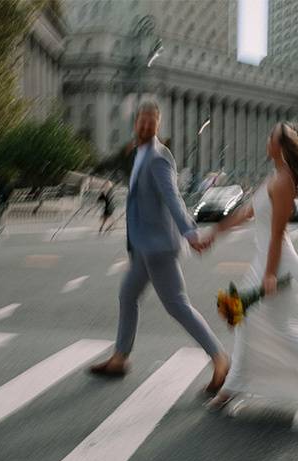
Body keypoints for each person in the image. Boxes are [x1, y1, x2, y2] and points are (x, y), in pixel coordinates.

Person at [202, 122, 298, 419]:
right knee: (245, 322)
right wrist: (214, 234)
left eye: (271, 138)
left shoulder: (283, 182)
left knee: (286, 330)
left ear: (280, 147)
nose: (266, 141)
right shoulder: (274, 179)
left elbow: (278, 232)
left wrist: (268, 274)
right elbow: (243, 214)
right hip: (266, 261)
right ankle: (233, 387)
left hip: (276, 265)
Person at [89, 101, 230, 395]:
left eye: (151, 123)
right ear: (136, 122)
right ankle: (120, 357)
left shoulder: (157, 157)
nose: (145, 127)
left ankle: (219, 358)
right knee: (127, 295)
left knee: (177, 305)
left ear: (157, 125)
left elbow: (173, 198)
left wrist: (190, 233)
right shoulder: (140, 152)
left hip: (159, 247)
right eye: (142, 121)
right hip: (144, 246)